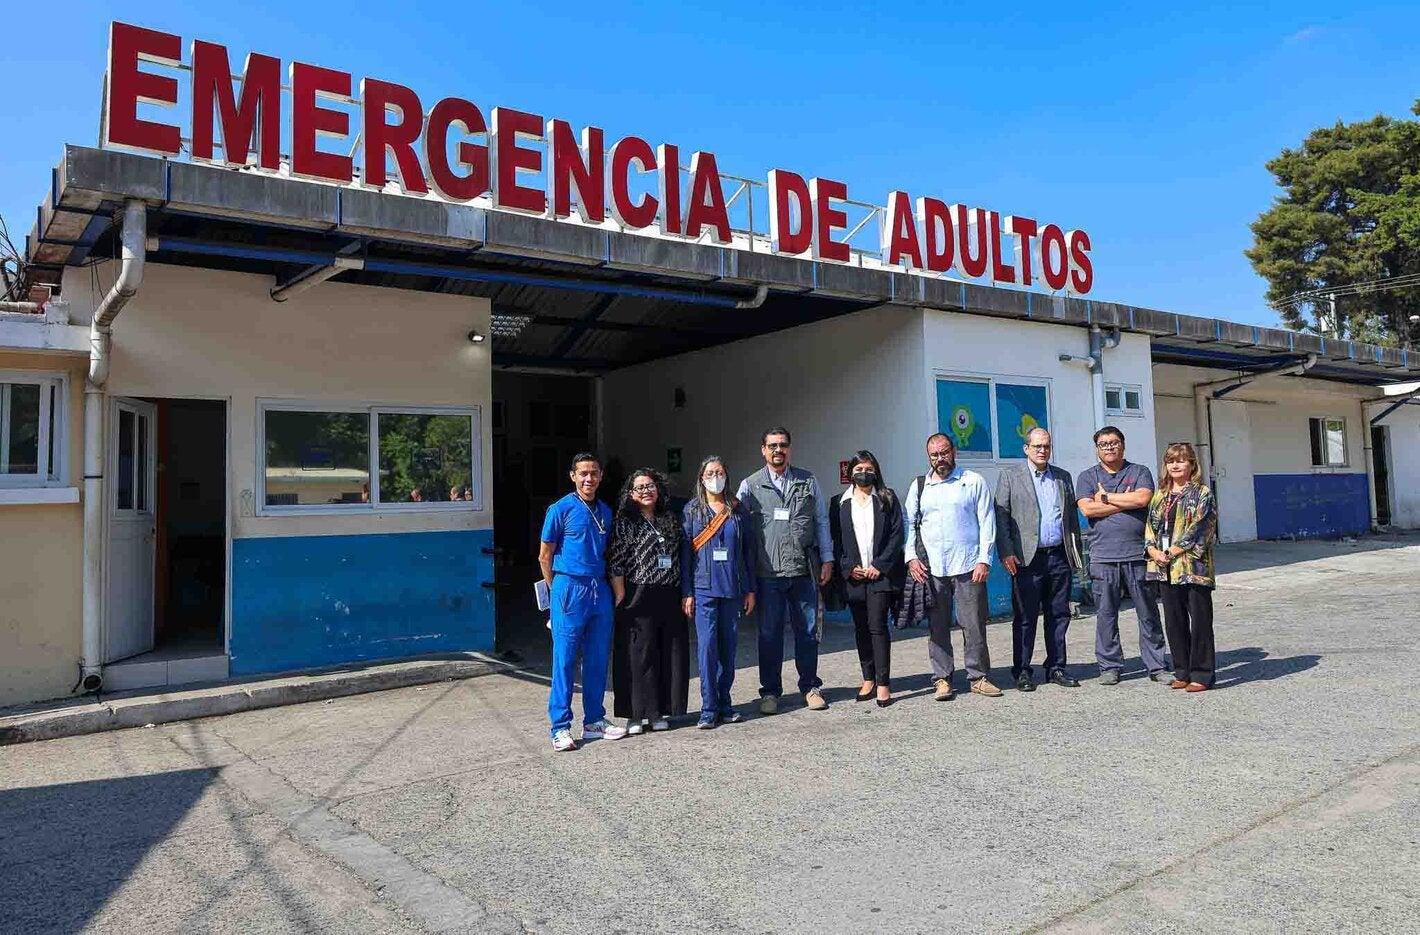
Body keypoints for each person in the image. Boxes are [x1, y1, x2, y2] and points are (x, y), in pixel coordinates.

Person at [736, 427, 834, 715]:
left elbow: (821, 521)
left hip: (803, 571)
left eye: (783, 445)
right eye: (772, 446)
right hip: (768, 575)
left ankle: (810, 687)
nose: (778, 450)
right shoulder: (750, 486)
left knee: (808, 632)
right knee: (769, 635)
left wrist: (827, 558)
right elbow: (737, 528)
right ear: (763, 450)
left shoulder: (807, 480)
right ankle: (770, 692)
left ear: (789, 449)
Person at [538, 453, 628, 751]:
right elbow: (544, 556)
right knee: (564, 660)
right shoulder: (560, 509)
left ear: (601, 476)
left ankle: (594, 721)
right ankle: (560, 727)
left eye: (594, 473)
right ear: (573, 476)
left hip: (598, 588)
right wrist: (556, 591)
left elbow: (610, 553)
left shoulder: (605, 511)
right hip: (569, 586)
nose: (589, 478)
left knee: (597, 657)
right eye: (583, 473)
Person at [904, 433, 1003, 701]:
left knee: (973, 625)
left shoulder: (972, 481)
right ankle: (942, 679)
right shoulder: (920, 486)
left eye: (944, 453)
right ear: (929, 457)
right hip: (932, 569)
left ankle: (978, 677)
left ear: (954, 452)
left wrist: (984, 559)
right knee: (937, 627)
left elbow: (987, 521)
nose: (940, 459)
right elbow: (910, 524)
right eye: (934, 455)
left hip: (968, 566)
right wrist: (911, 558)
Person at [1076, 426, 1172, 686]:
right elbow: (1087, 510)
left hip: (1139, 554)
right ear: (1097, 449)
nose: (1109, 447)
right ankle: (1110, 666)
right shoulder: (1087, 476)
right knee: (1106, 615)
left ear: (1123, 445)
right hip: (1103, 557)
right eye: (1103, 444)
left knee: (1148, 612)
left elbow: (1142, 499)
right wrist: (1123, 501)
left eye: (1114, 442)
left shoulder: (1139, 472)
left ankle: (1156, 665)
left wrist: (1105, 498)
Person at [994, 427, 1085, 691]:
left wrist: (1074, 554)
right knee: (1025, 617)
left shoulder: (1063, 477)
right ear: (1026, 449)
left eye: (1046, 446)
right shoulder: (1010, 476)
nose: (1042, 450)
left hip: (1058, 556)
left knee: (1059, 614)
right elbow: (1001, 517)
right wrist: (1006, 552)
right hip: (1026, 559)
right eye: (1037, 446)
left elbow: (1071, 520)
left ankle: (1056, 668)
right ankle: (1022, 671)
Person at [608, 469, 689, 734]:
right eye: (640, 488)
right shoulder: (625, 522)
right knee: (638, 656)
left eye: (650, 486)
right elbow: (616, 562)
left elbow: (679, 555)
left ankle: (657, 713)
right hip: (637, 593)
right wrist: (620, 594)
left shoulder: (669, 519)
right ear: (630, 494)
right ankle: (635, 715)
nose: (646, 491)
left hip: (668, 593)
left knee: (665, 652)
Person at [681, 456, 756, 728]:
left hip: (732, 588)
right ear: (701, 478)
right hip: (703, 590)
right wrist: (687, 591)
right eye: (710, 473)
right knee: (707, 649)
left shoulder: (737, 509)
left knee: (728, 649)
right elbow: (685, 554)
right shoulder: (692, 510)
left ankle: (725, 704)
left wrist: (750, 589)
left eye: (720, 472)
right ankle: (708, 708)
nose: (716, 478)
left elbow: (748, 552)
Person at [829, 450, 905, 707]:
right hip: (854, 577)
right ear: (850, 472)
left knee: (877, 626)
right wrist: (848, 567)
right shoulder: (839, 503)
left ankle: (883, 683)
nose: (864, 473)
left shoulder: (886, 497)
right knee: (861, 628)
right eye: (859, 469)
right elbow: (836, 541)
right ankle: (868, 678)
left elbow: (897, 535)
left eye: (869, 469)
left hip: (880, 576)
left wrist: (879, 566)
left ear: (876, 471)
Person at [1145, 442, 1219, 693]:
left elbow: (1201, 528)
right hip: (1165, 568)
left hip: (1193, 569)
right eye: (1170, 461)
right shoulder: (1160, 495)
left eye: (1181, 460)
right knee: (1174, 623)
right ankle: (1182, 672)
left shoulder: (1202, 493)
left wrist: (1173, 551)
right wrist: (1153, 551)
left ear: (1191, 464)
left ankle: (1202, 674)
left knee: (1200, 623)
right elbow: (1150, 527)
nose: (1175, 465)